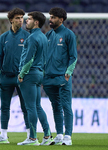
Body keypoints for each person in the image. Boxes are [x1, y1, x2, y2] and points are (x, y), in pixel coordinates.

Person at [0, 8, 30, 144]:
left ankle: (30, 135)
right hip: (6, 77)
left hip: (21, 77)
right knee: (4, 107)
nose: (21, 20)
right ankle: (3, 135)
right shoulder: (3, 37)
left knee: (26, 107)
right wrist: (0, 75)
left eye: (22, 18)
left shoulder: (27, 35)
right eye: (18, 18)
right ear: (11, 20)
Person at [17, 11, 54, 146]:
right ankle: (47, 135)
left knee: (30, 107)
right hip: (39, 73)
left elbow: (29, 58)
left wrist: (21, 74)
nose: (26, 21)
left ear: (36, 22)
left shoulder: (32, 38)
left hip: (30, 74)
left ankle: (32, 138)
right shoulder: (43, 37)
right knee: (37, 106)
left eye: (30, 19)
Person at [43, 7, 77, 145]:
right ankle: (59, 135)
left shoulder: (69, 34)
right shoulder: (48, 35)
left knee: (66, 106)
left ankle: (68, 136)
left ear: (61, 19)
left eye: (53, 17)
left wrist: (68, 73)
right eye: (50, 17)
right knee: (55, 107)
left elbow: (73, 56)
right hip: (48, 78)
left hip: (62, 77)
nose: (50, 19)